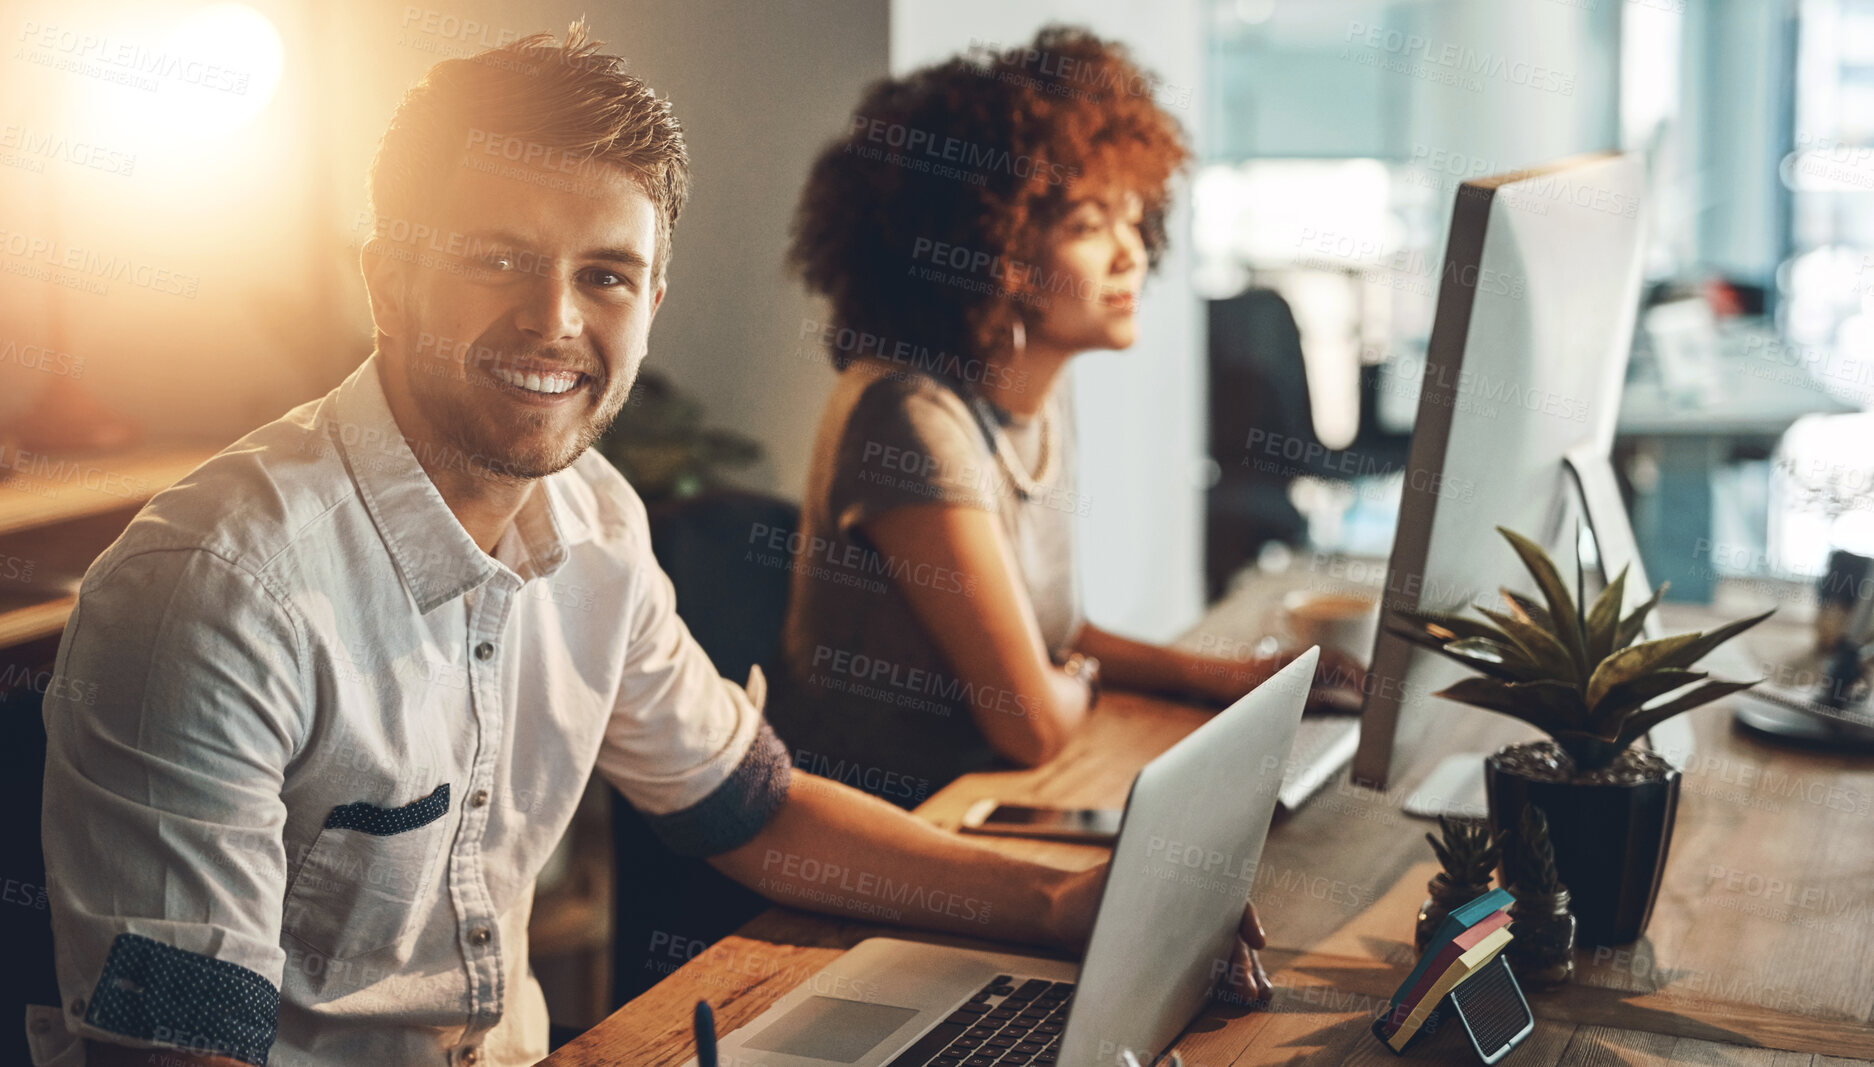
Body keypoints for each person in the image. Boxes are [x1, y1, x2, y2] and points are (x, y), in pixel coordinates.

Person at [31, 26, 1269, 1067]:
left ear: (652, 300)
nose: (555, 320)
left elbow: (754, 810)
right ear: (388, 280)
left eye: (607, 275)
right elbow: (179, 1050)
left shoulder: (596, 522)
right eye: (497, 259)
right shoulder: (216, 589)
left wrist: (1076, 904)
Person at [771, 27, 1363, 805]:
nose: (1131, 254)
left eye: (1132, 217)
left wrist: (1230, 677)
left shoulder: (1039, 393)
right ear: (989, 246)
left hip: (1003, 795)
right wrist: (1072, 677)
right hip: (902, 832)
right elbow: (1033, 722)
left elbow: (1060, 638)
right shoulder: (910, 418)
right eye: (1087, 225)